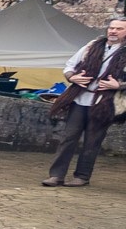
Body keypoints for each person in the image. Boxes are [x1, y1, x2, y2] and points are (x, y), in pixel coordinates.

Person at [45, 14, 125, 187]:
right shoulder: (92, 46)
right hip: (81, 98)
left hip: (105, 102)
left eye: (119, 29)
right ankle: (56, 176)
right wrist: (72, 78)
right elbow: (70, 66)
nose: (114, 31)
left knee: (92, 140)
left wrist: (118, 85)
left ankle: (82, 177)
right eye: (112, 28)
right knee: (68, 137)